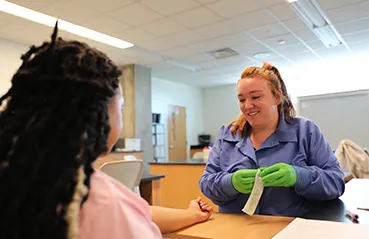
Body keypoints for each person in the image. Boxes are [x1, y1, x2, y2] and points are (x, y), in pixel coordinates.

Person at [0, 24, 212, 239]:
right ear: (99, 116)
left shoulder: (22, 177)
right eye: (120, 107)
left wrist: (189, 215)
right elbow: (122, 213)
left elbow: (140, 211)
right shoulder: (104, 202)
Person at [199, 63, 345, 217]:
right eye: (242, 100)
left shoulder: (305, 131)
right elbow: (206, 183)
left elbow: (335, 182)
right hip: (237, 228)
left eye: (256, 97)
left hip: (290, 229)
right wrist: (231, 183)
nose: (247, 106)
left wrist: (298, 176)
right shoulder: (227, 134)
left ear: (277, 96)